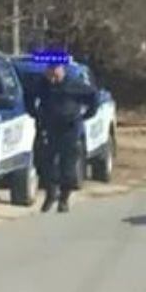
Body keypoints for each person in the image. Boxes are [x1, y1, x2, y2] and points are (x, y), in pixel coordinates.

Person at [29, 57, 100, 213]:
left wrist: (87, 114)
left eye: (55, 71)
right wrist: (34, 113)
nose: (52, 75)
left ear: (62, 70)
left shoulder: (74, 84)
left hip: (69, 129)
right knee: (45, 163)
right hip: (48, 128)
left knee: (67, 166)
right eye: (50, 71)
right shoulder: (42, 85)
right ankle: (50, 193)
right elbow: (29, 96)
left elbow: (93, 95)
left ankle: (64, 199)